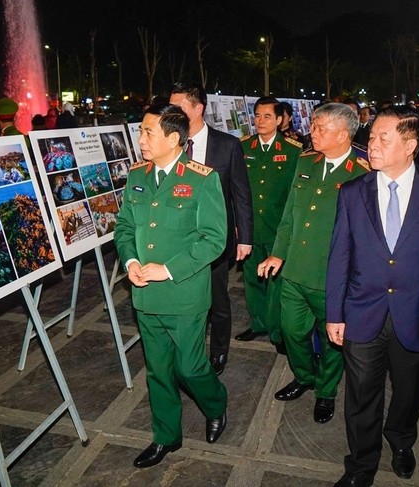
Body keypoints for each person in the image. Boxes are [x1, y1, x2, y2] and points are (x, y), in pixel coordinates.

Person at [326, 106, 419, 487]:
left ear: (410, 145)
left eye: (381, 139)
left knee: (409, 393)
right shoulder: (353, 193)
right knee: (360, 397)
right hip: (362, 312)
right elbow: (339, 256)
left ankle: (402, 441)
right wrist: (334, 313)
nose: (370, 145)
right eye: (371, 137)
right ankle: (360, 466)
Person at [114, 104, 228, 468]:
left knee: (191, 368)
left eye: (148, 132)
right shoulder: (137, 175)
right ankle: (166, 436)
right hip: (145, 295)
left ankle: (216, 404)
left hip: (184, 295)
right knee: (158, 370)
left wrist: (168, 269)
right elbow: (124, 228)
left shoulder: (202, 178)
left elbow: (214, 239)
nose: (141, 139)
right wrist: (131, 262)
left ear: (174, 138)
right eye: (141, 131)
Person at [259, 103, 369, 423]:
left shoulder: (363, 171)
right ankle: (305, 377)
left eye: (321, 128)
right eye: (314, 126)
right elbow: (290, 215)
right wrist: (278, 252)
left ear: (344, 134)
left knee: (333, 339)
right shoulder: (306, 160)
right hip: (295, 269)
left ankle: (325, 391)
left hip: (332, 276)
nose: (313, 133)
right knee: (291, 332)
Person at [169, 81, 253, 375]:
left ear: (198, 108)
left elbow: (241, 193)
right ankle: (185, 350)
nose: (171, 113)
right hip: (177, 240)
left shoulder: (227, 145)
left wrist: (246, 237)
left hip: (214, 239)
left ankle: (218, 351)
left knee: (217, 299)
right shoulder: (169, 144)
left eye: (178, 107)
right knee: (182, 298)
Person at [233, 97, 302, 353]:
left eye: (267, 117)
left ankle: (276, 330)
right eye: (258, 116)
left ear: (280, 120)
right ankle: (258, 323)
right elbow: (236, 190)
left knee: (275, 282)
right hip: (251, 229)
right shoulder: (242, 147)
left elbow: (296, 195)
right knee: (252, 279)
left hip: (277, 230)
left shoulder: (293, 151)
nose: (261, 121)